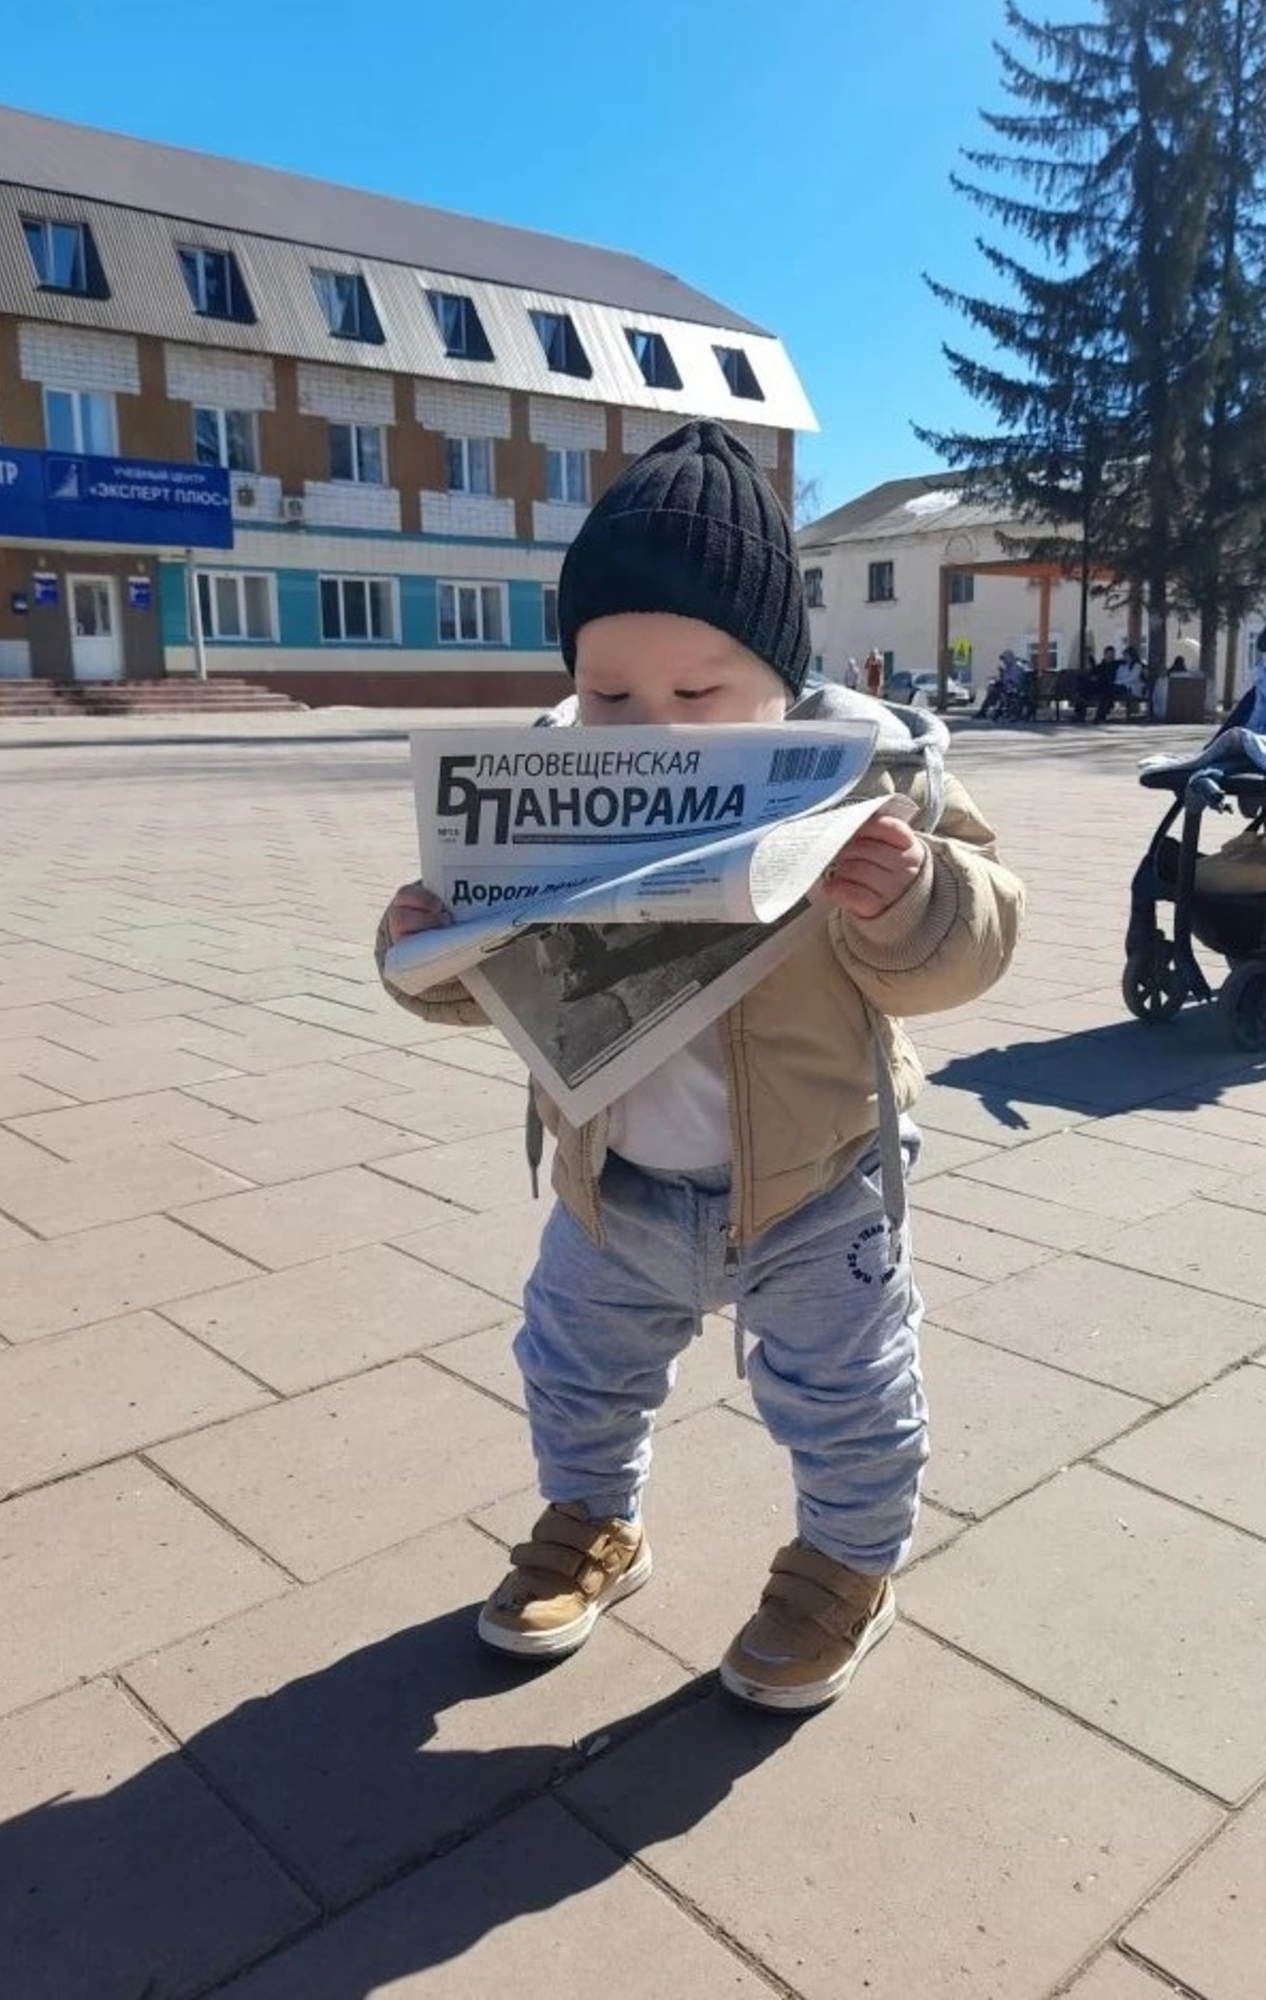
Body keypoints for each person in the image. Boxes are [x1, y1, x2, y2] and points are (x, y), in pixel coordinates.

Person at [376, 420, 1024, 1713]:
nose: (651, 729)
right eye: (612, 697)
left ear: (782, 680)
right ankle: (592, 1519)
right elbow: (491, 982)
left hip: (816, 1182)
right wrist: (426, 946)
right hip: (614, 1181)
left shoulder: (877, 781)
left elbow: (975, 939)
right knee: (571, 1364)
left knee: (848, 1393)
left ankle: (847, 1564)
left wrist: (908, 897)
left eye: (698, 695)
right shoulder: (551, 787)